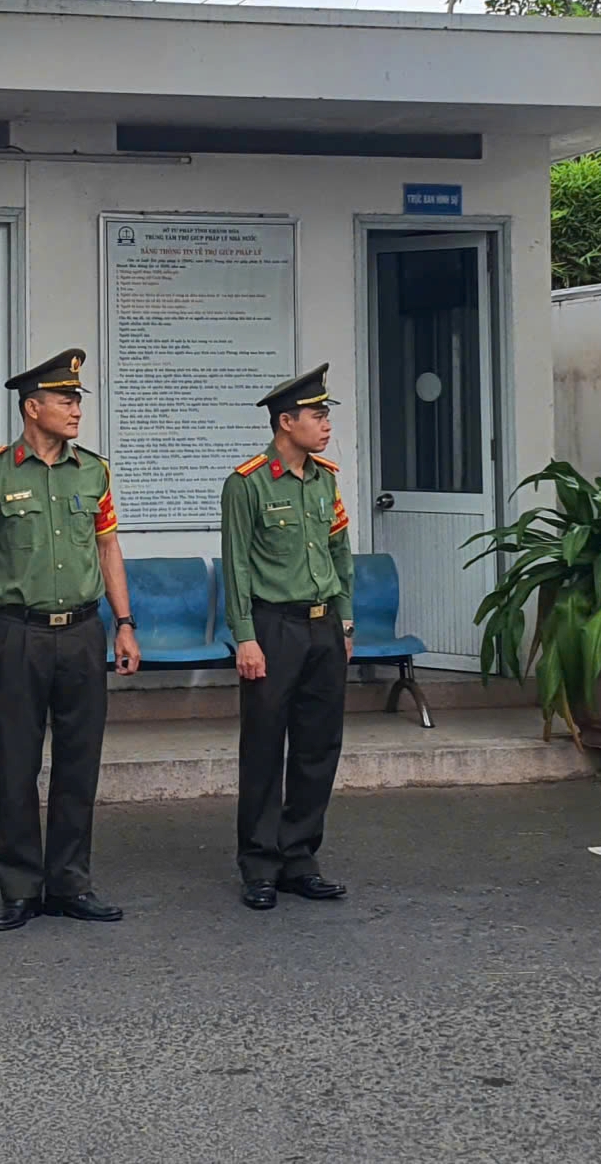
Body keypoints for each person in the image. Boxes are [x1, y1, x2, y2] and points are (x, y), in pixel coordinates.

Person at [0, 349, 140, 932]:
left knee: (80, 764)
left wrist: (124, 622)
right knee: (17, 765)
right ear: (32, 408)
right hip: (18, 634)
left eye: (78, 399)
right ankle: (19, 889)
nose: (77, 409)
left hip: (83, 632)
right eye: (66, 400)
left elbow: (108, 547)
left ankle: (70, 883)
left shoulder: (94, 472)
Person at [222, 365, 354, 911]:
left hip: (323, 626)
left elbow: (341, 553)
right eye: (317, 416)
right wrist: (245, 637)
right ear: (286, 422)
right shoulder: (248, 483)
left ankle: (300, 858)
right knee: (263, 747)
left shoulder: (325, 480)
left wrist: (345, 620)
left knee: (318, 745)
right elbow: (236, 566)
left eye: (325, 416)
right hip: (273, 628)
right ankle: (259, 864)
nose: (326, 425)